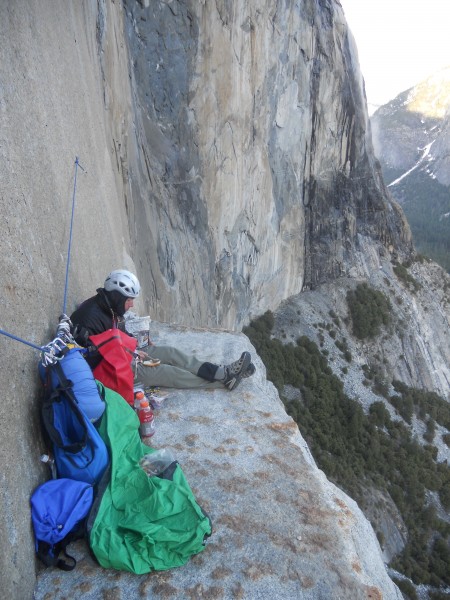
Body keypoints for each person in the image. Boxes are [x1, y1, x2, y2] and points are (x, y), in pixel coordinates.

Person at [70, 269, 256, 391]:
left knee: (170, 352)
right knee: (168, 372)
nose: (132, 305)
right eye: (129, 300)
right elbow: (91, 358)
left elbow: (113, 333)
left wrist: (133, 344)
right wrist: (130, 353)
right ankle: (224, 382)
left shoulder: (107, 306)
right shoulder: (88, 319)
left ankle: (221, 372)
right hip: (114, 370)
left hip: (125, 354)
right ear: (117, 297)